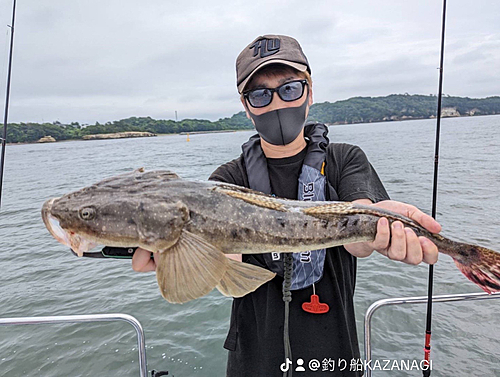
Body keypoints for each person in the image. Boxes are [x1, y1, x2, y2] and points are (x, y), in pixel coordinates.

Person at [132, 35, 441, 376]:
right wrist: (181, 254)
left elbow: (358, 238)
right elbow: (227, 261)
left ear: (309, 92)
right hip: (255, 358)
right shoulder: (226, 181)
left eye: (290, 88)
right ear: (246, 106)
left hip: (334, 353)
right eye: (260, 94)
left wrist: (383, 227)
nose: (277, 103)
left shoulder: (344, 159)